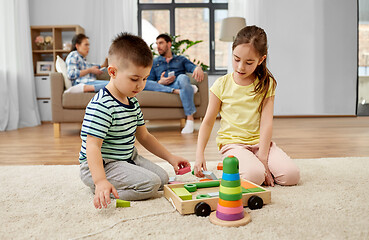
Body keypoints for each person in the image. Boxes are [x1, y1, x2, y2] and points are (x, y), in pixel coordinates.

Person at [79, 32, 191, 209]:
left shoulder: (132, 101)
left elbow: (144, 136)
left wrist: (171, 157)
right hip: (101, 164)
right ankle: (102, 189)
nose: (140, 85)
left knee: (162, 179)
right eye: (134, 79)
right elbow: (92, 146)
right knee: (150, 185)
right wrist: (100, 180)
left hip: (127, 157)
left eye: (145, 79)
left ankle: (114, 182)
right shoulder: (102, 105)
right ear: (112, 72)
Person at [194, 26, 300, 187]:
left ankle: (254, 165)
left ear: (261, 60)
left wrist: (263, 159)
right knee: (254, 176)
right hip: (233, 144)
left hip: (260, 144)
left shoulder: (266, 84)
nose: (240, 67)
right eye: (236, 59)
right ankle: (242, 167)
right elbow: (208, 122)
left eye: (249, 62)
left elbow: (266, 123)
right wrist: (199, 154)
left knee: (291, 176)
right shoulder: (221, 85)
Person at [144, 33, 205, 134]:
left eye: (161, 43)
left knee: (183, 77)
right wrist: (160, 81)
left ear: (169, 44)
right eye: (157, 43)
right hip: (161, 86)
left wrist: (198, 68)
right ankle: (183, 90)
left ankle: (190, 119)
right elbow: (150, 81)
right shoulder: (154, 62)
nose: (158, 46)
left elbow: (192, 67)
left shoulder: (180, 59)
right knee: (144, 83)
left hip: (177, 83)